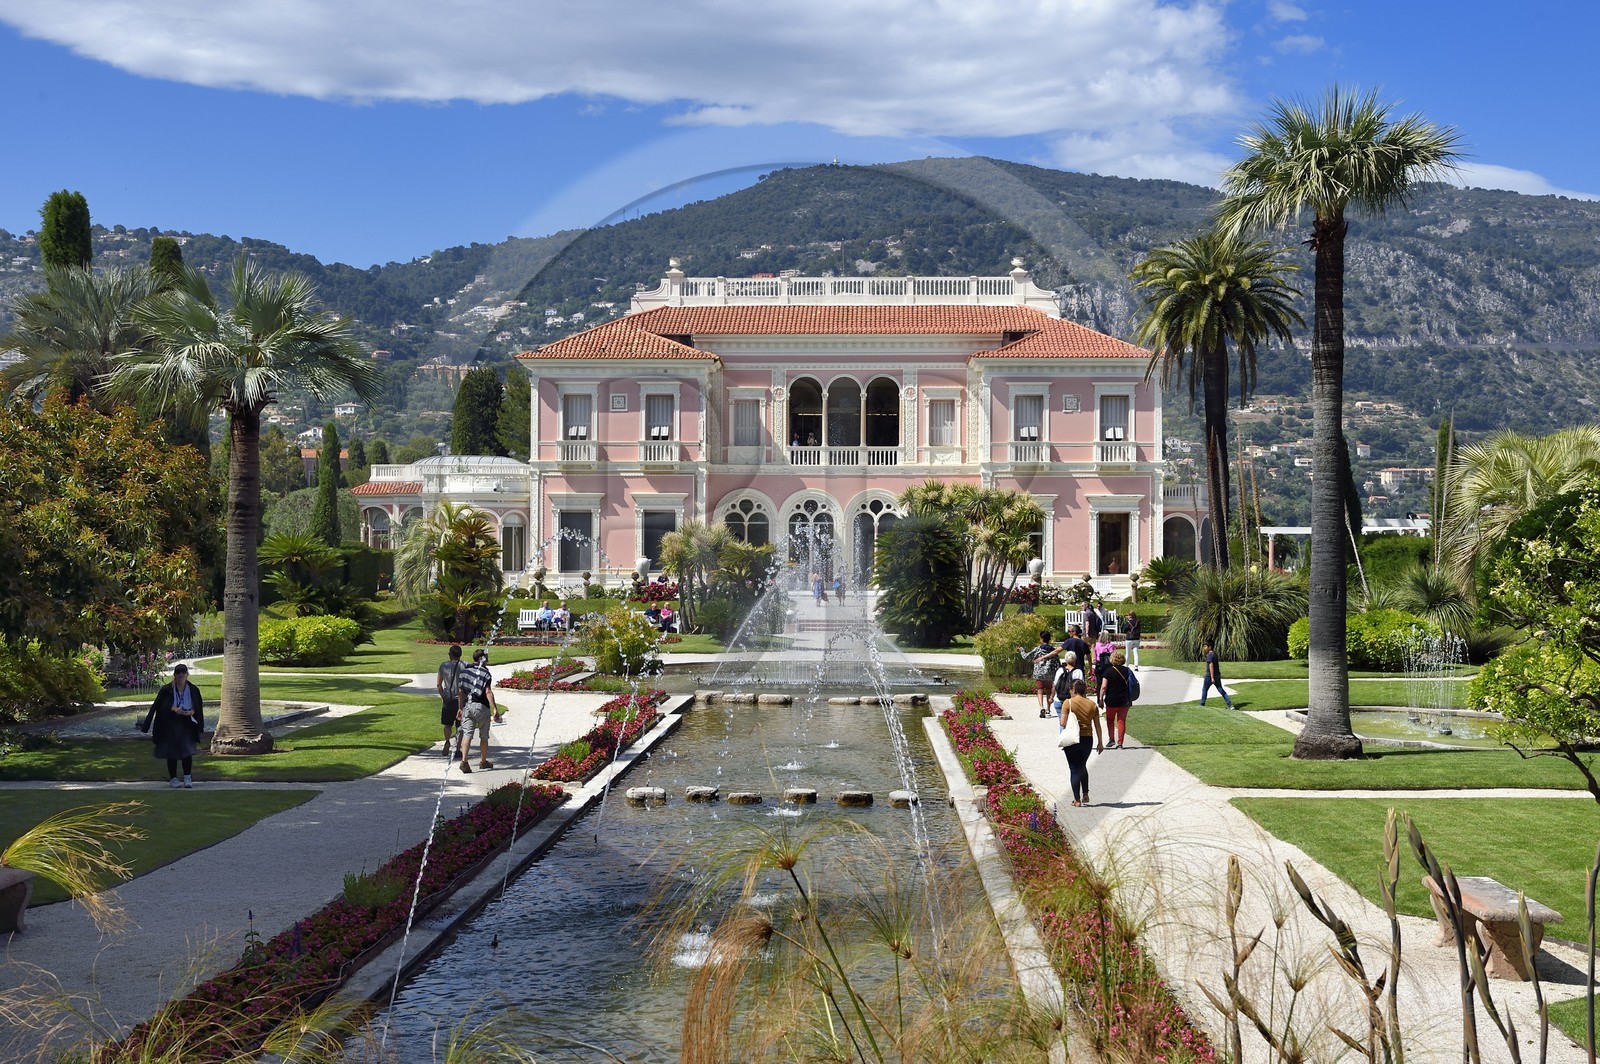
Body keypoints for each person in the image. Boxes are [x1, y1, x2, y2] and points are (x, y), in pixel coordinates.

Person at [138, 664, 205, 788]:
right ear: (174, 674)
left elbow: (198, 706)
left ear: (187, 674)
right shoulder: (167, 689)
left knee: (187, 749)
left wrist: (192, 712)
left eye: (183, 672)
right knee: (172, 750)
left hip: (187, 721)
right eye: (178, 672)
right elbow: (157, 706)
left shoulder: (193, 689)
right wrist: (172, 708)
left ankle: (187, 777)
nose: (181, 675)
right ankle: (173, 778)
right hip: (171, 722)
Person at [1060, 678, 1103, 806]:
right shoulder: (1092, 704)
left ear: (1073, 690)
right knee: (1082, 765)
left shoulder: (1068, 703)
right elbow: (1097, 725)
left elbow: (1062, 722)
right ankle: (1085, 793)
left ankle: (1077, 799)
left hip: (1073, 739)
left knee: (1074, 768)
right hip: (1087, 739)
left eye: (1070, 690)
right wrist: (1100, 742)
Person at [455, 648, 498, 772]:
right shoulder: (485, 673)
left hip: (467, 706)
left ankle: (464, 761)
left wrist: (460, 708)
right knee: (484, 736)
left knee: (467, 734)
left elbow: (461, 692)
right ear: (481, 659)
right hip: (481, 707)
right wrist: (495, 708)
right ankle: (483, 761)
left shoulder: (464, 672)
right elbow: (488, 691)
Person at [1100, 649, 1135, 749]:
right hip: (1125, 700)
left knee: (1110, 719)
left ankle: (1111, 739)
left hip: (1111, 700)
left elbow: (1103, 687)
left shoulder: (1108, 671)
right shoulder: (1127, 671)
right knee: (1121, 720)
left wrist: (1101, 699)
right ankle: (1120, 742)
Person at [1021, 630, 1059, 716]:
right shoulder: (1053, 651)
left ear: (1041, 639)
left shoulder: (1038, 649)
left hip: (1039, 673)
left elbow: (1026, 656)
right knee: (1048, 691)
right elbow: (1057, 663)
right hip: (1050, 674)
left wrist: (1021, 650)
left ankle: (1041, 707)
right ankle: (1048, 709)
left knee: (1040, 690)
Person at [435, 645, 465, 754]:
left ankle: (447, 741)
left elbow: (439, 684)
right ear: (460, 654)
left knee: (447, 724)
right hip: (461, 700)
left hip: (448, 698)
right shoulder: (464, 665)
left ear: (450, 654)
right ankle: (457, 748)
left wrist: (443, 696)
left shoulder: (443, 666)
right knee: (460, 726)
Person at [1200, 641, 1235, 710]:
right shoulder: (1215, 654)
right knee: (1220, 689)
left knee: (1204, 689)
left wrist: (1212, 678)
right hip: (1217, 675)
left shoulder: (1209, 655)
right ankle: (1230, 705)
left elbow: (1211, 666)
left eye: (1205, 646)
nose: (1204, 648)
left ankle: (1202, 705)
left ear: (1209, 647)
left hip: (1209, 676)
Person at [1050, 651, 1084, 718]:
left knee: (1062, 722)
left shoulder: (1060, 670)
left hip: (1059, 699)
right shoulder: (1078, 672)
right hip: (1073, 701)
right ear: (1075, 660)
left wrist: (1051, 697)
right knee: (1073, 723)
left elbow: (1054, 685)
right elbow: (1081, 688)